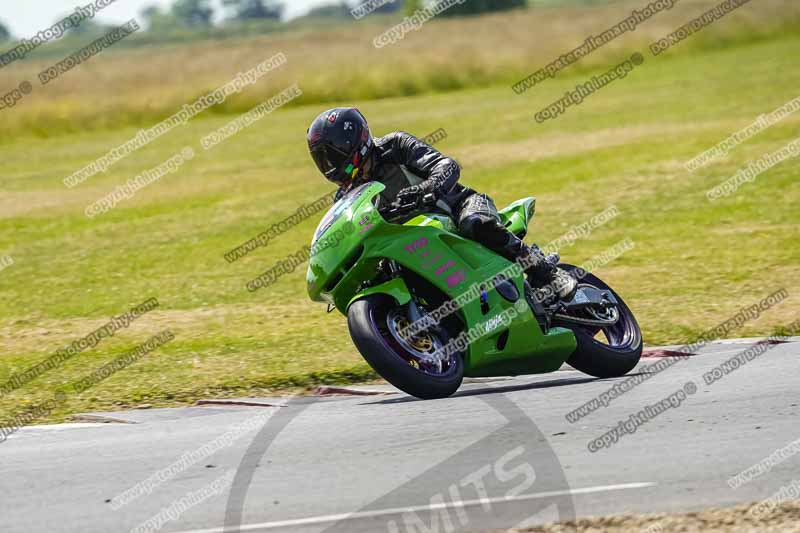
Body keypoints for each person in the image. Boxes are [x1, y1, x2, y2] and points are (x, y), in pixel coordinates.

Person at [306, 107, 576, 302]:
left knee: (476, 224)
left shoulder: (394, 146)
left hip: (456, 208)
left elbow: (447, 166)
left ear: (352, 141)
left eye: (332, 153)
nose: (329, 163)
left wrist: (426, 189)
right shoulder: (346, 198)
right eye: (322, 158)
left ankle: (547, 274)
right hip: (413, 240)